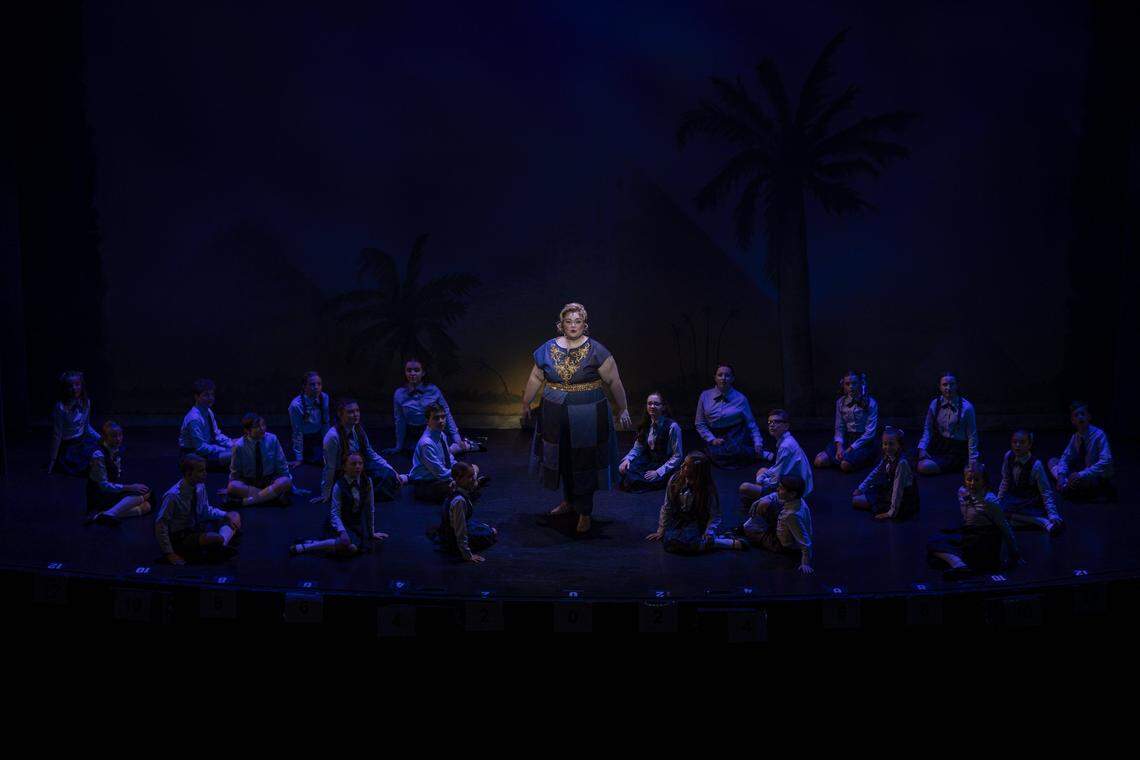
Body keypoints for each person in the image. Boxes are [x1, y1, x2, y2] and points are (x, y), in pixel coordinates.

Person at [521, 302, 630, 534]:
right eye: (568, 321)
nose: (573, 325)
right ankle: (569, 501)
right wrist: (526, 402)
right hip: (554, 412)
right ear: (561, 324)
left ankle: (585, 512)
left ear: (585, 324)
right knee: (562, 458)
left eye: (577, 321)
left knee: (584, 461)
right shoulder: (547, 349)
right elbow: (534, 378)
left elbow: (614, 381)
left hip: (587, 413)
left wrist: (623, 408)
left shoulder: (596, 350)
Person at [927, 463, 1021, 581]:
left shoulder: (989, 500)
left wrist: (1014, 553)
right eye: (969, 479)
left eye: (976, 480)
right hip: (968, 532)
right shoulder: (962, 492)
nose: (972, 483)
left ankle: (961, 565)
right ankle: (961, 565)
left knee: (938, 552)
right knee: (934, 547)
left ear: (983, 481)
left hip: (982, 539)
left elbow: (1005, 527)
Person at [290, 452, 389, 556]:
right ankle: (305, 548)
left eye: (360, 463)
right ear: (344, 467)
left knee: (351, 548)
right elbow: (335, 513)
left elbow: (369, 508)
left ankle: (313, 543)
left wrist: (371, 532)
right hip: (338, 523)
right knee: (349, 546)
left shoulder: (367, 482)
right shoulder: (339, 485)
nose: (358, 467)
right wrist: (342, 531)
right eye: (353, 464)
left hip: (355, 524)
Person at [645, 453, 745, 554]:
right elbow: (667, 506)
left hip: (697, 521)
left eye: (687, 466)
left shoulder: (707, 489)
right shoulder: (675, 480)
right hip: (679, 519)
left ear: (697, 471)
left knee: (687, 544)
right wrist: (661, 529)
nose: (682, 466)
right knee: (670, 542)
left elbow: (715, 515)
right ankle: (714, 541)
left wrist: (709, 532)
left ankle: (721, 542)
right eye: (683, 463)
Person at [155, 454, 242, 565]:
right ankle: (220, 545)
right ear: (188, 473)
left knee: (234, 515)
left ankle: (220, 546)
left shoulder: (200, 486)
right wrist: (169, 553)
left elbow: (206, 510)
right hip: (181, 536)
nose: (205, 474)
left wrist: (227, 514)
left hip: (197, 527)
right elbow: (161, 525)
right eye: (201, 471)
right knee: (216, 538)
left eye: (205, 470)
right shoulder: (173, 496)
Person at [316, 398, 405, 504]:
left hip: (360, 466)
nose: (355, 414)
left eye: (357, 411)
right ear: (340, 414)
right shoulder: (333, 436)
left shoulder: (358, 429)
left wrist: (392, 469)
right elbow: (329, 467)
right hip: (343, 471)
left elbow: (370, 453)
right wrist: (326, 492)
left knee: (389, 474)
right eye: (350, 412)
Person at [391, 358, 484, 457]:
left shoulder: (433, 390)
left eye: (417, 370)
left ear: (423, 373)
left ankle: (465, 445)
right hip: (413, 433)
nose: (412, 373)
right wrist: (399, 446)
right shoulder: (399, 394)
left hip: (433, 429)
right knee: (420, 454)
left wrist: (456, 436)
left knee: (436, 454)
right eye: (409, 370)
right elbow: (399, 420)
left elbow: (446, 412)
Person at [410, 402, 486, 503]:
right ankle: (472, 484)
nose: (441, 421)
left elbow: (449, 458)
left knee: (474, 467)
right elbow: (440, 473)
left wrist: (463, 470)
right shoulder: (426, 444)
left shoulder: (441, 435)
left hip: (440, 477)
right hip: (427, 484)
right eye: (436, 418)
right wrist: (462, 476)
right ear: (428, 421)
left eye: (443, 417)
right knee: (456, 486)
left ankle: (470, 484)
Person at [739, 474, 814, 574]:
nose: (778, 489)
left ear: (792, 494)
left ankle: (745, 529)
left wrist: (805, 563)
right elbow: (775, 495)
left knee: (749, 530)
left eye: (781, 488)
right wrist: (762, 499)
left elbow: (805, 542)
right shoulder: (796, 500)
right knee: (765, 504)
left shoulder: (792, 516)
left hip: (781, 544)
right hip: (783, 525)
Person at [738, 409, 813, 509]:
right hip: (792, 481)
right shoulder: (785, 440)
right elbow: (777, 469)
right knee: (762, 470)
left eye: (776, 422)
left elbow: (775, 481)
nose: (771, 425)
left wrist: (761, 481)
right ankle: (761, 498)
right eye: (770, 422)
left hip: (795, 492)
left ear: (786, 426)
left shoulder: (786, 446)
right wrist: (763, 477)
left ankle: (764, 501)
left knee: (744, 487)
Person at [694, 364, 764, 468]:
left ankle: (756, 452)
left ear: (732, 378)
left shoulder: (740, 399)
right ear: (715, 377)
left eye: (727, 375)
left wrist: (758, 443)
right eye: (720, 375)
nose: (723, 378)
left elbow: (751, 423)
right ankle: (752, 453)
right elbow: (699, 423)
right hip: (713, 433)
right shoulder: (705, 395)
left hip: (734, 433)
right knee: (712, 456)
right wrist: (712, 439)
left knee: (731, 450)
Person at [84, 421, 152, 525]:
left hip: (109, 492)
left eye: (120, 435)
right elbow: (103, 486)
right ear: (105, 437)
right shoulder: (98, 455)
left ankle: (101, 515)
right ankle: (107, 513)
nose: (118, 439)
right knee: (145, 494)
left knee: (147, 506)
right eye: (114, 436)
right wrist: (130, 487)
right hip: (100, 496)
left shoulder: (115, 450)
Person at [998, 430, 1063, 534]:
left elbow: (1046, 491)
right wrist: (999, 499)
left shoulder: (1036, 465)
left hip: (1029, 499)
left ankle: (1043, 521)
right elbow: (1005, 479)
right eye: (1015, 442)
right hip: (1014, 497)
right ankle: (1041, 521)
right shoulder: (1008, 456)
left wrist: (1053, 514)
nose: (1017, 445)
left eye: (1022, 442)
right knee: (1001, 513)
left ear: (1029, 445)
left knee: (1009, 518)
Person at [1049, 401, 1115, 502]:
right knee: (1052, 461)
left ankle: (1067, 486)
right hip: (1082, 468)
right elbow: (1066, 456)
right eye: (1076, 415)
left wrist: (1081, 474)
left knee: (1079, 482)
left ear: (1089, 417)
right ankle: (1065, 483)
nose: (1080, 417)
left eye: (1083, 414)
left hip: (1096, 475)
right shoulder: (1076, 436)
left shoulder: (1099, 435)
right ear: (1072, 420)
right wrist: (1061, 475)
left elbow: (1106, 462)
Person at [433, 462, 498, 563]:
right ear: (458, 479)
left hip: (452, 529)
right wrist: (467, 555)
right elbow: (460, 531)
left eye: (473, 476)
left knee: (484, 527)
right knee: (491, 532)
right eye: (470, 477)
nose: (473, 479)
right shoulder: (459, 501)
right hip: (453, 539)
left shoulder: (455, 487)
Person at [815, 370, 879, 472]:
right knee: (819, 461)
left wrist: (850, 449)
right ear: (843, 385)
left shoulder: (871, 403)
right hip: (847, 437)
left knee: (845, 465)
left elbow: (870, 433)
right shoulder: (840, 402)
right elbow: (839, 427)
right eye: (847, 384)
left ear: (860, 384)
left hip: (863, 440)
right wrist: (839, 447)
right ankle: (843, 458)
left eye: (854, 383)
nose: (851, 387)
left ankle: (864, 458)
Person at [916, 371, 978, 475]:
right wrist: (922, 448)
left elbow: (972, 436)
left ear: (957, 386)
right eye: (945, 385)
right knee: (907, 456)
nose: (948, 388)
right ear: (939, 387)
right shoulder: (935, 404)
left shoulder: (967, 408)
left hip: (956, 451)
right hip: (939, 445)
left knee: (923, 466)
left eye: (952, 384)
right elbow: (928, 429)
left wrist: (973, 462)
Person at [619, 392, 683, 492]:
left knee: (635, 481)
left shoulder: (672, 427)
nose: (652, 406)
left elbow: (677, 456)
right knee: (624, 469)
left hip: (664, 464)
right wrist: (628, 459)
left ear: (663, 407)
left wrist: (658, 472)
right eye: (650, 403)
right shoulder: (646, 425)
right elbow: (638, 447)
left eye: (656, 404)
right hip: (649, 461)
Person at [852, 427, 919, 520]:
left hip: (903, 499)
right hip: (890, 489)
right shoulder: (888, 456)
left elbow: (898, 489)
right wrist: (861, 488)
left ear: (898, 445)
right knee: (857, 497)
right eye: (885, 444)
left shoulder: (901, 463)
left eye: (891, 444)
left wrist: (891, 513)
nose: (887, 447)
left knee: (857, 501)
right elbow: (875, 472)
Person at [227, 413, 293, 507]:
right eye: (257, 427)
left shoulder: (272, 439)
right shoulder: (239, 445)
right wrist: (232, 485)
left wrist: (286, 482)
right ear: (247, 430)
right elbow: (235, 470)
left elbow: (281, 463)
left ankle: (245, 502)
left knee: (286, 481)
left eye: (263, 425)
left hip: (269, 480)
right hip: (250, 482)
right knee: (232, 487)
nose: (262, 429)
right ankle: (273, 498)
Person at [48, 370, 100, 477]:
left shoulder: (86, 402)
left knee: (100, 455)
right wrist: (53, 459)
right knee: (82, 466)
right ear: (65, 388)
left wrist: (101, 439)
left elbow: (86, 427)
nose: (74, 388)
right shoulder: (61, 407)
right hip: (69, 446)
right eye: (70, 386)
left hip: (82, 441)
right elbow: (57, 434)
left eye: (77, 384)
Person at [178, 378, 237, 471]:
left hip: (205, 451)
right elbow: (200, 448)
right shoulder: (194, 418)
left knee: (238, 446)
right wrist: (223, 449)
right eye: (206, 395)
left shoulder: (208, 411)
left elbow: (216, 434)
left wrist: (231, 443)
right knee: (235, 455)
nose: (210, 398)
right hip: (192, 457)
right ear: (196, 397)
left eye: (212, 395)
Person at [288, 371, 330, 465]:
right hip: (305, 439)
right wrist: (299, 458)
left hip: (319, 436)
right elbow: (297, 432)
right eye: (312, 384)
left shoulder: (324, 397)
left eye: (319, 384)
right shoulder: (296, 405)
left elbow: (325, 423)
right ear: (304, 386)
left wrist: (328, 447)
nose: (316, 387)